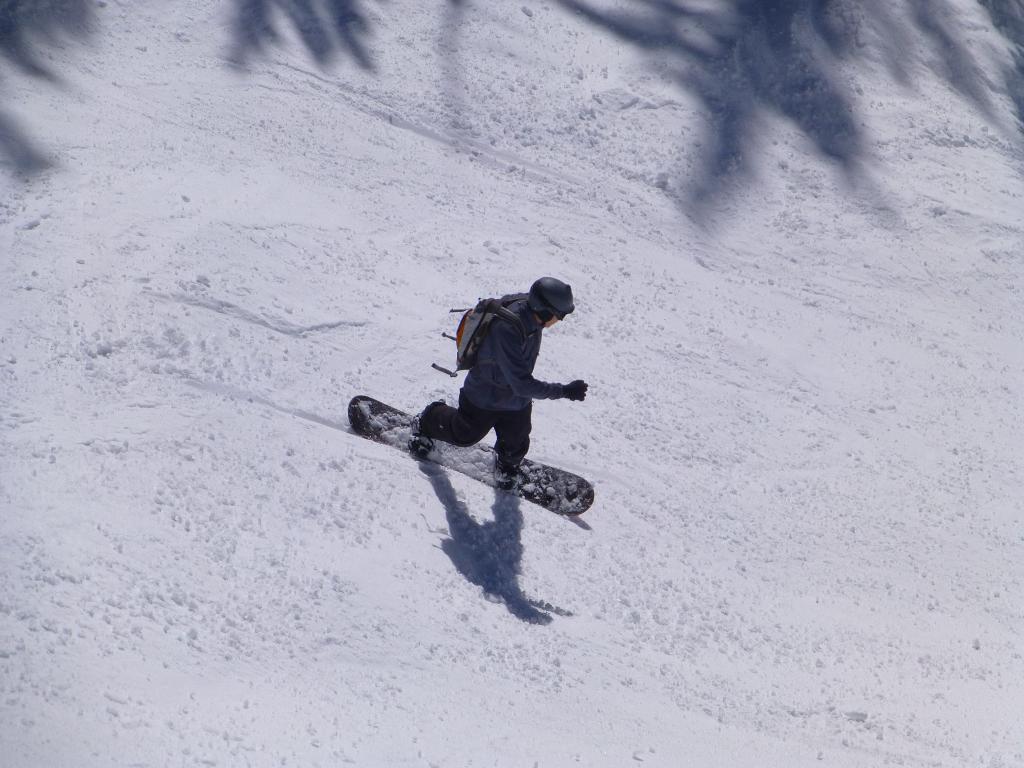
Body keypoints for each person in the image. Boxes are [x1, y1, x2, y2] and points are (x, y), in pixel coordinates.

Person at [410, 277, 588, 488]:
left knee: (516, 442)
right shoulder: (507, 329)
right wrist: (564, 391)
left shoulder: (533, 314)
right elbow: (522, 384)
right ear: (544, 311)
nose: (558, 321)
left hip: (515, 400)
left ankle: (507, 467)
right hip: (484, 395)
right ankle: (428, 419)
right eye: (558, 316)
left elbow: (519, 385)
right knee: (463, 435)